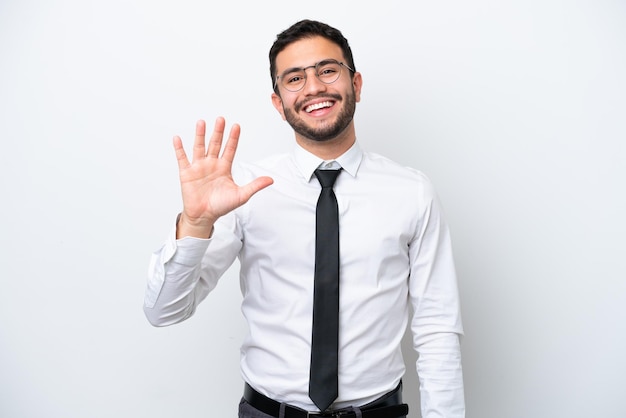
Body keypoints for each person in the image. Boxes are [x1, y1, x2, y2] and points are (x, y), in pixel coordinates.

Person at [144, 19, 465, 418]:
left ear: (356, 84)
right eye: (294, 78)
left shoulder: (412, 192)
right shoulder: (243, 191)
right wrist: (195, 224)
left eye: (327, 70)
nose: (313, 87)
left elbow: (437, 329)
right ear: (279, 103)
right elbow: (163, 311)